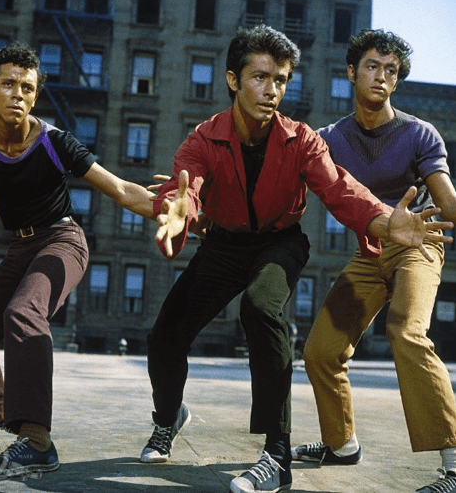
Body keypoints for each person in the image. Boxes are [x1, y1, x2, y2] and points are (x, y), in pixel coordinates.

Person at [139, 25, 453, 493]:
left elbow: (342, 190)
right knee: (175, 337)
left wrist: (388, 222)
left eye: (281, 80)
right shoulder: (217, 137)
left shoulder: (330, 137)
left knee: (277, 313)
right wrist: (182, 208)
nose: (272, 91)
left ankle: (279, 455)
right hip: (246, 247)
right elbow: (187, 184)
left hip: (342, 242)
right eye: (261, 78)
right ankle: (176, 419)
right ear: (232, 80)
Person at [0, 41, 187, 481]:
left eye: (27, 88)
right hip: (19, 247)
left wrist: (171, 208)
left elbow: (122, 189)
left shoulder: (52, 142)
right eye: (8, 84)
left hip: (63, 241)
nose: (18, 95)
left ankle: (36, 443)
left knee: (24, 313)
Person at [291, 29, 456, 493]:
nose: (381, 77)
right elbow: (289, 182)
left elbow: (447, 201)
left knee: (406, 331)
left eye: (391, 71)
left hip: (418, 247)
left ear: (397, 82)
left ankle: (455, 464)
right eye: (372, 67)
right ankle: (341, 445)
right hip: (369, 254)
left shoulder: (419, 133)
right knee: (320, 352)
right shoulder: (328, 140)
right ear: (351, 72)